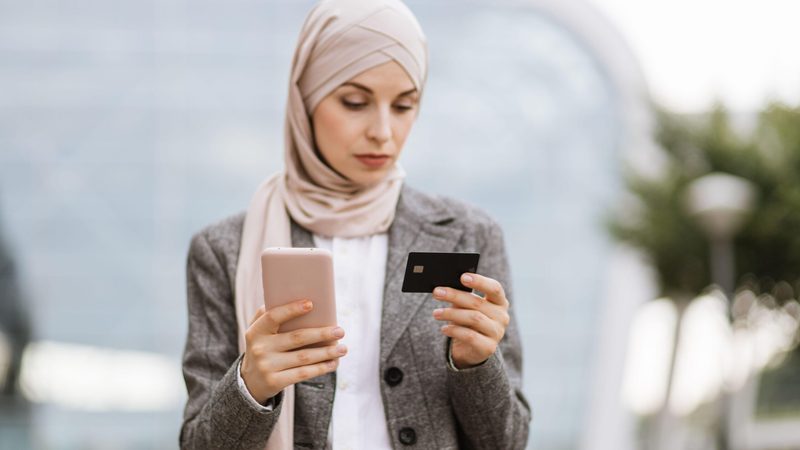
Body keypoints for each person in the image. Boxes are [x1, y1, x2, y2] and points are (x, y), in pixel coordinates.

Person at [180, 0, 531, 449]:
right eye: (354, 102)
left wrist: (477, 364)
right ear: (305, 100)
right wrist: (250, 384)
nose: (383, 131)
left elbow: (508, 441)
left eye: (404, 106)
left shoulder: (468, 233)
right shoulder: (224, 249)